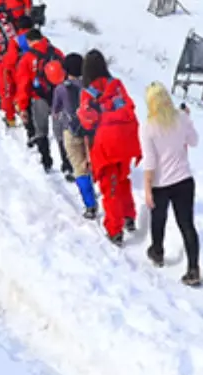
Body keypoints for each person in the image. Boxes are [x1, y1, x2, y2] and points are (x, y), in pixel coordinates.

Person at [77, 49, 142, 246]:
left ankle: (115, 230)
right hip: (126, 141)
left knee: (110, 188)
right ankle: (129, 217)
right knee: (122, 181)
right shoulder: (117, 85)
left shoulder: (88, 93)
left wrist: (100, 117)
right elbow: (130, 108)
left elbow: (88, 122)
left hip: (105, 145)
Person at [140, 83, 201, 287]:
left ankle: (157, 252)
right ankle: (193, 268)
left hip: (160, 182)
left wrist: (147, 188)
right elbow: (194, 142)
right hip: (184, 180)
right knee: (187, 225)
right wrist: (188, 120)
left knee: (159, 219)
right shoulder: (181, 118)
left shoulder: (148, 127)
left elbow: (150, 160)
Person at [52, 54, 97, 219]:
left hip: (71, 132)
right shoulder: (90, 88)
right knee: (92, 163)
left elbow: (55, 112)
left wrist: (58, 134)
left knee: (79, 168)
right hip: (91, 132)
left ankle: (90, 205)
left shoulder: (61, 89)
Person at [14, 28, 65, 172]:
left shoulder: (27, 58)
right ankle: (67, 164)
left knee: (41, 130)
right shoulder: (56, 52)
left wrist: (22, 107)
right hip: (58, 97)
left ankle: (46, 161)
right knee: (61, 131)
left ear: (29, 42)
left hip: (39, 98)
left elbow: (23, 85)